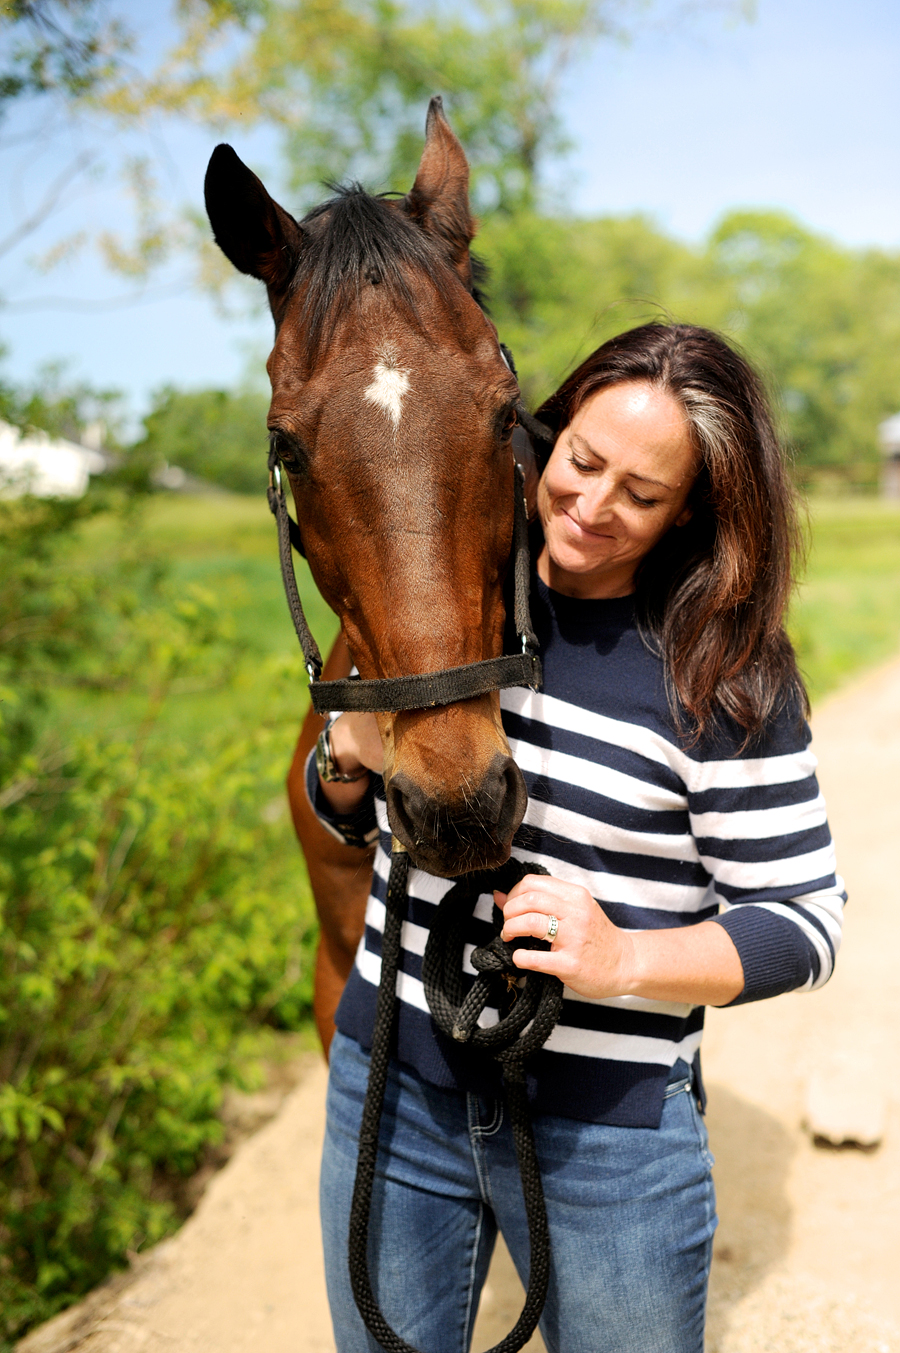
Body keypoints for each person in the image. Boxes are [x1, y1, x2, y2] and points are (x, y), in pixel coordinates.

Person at [305, 322, 845, 1353]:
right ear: (542, 435)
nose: (591, 507)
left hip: (606, 1140)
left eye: (639, 494)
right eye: (580, 462)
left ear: (692, 508)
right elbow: (346, 816)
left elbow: (807, 924)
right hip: (389, 1097)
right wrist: (345, 753)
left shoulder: (721, 677)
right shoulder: (450, 593)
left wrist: (625, 956)